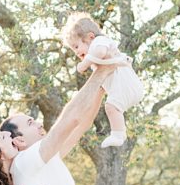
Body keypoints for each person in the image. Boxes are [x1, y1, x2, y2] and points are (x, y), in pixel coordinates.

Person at [60, 12, 144, 148]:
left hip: (126, 86)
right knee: (112, 107)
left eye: (76, 46)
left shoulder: (100, 42)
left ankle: (118, 135)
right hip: (128, 88)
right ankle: (119, 134)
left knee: (111, 107)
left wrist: (84, 64)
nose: (76, 52)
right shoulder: (96, 52)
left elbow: (99, 52)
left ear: (90, 37)